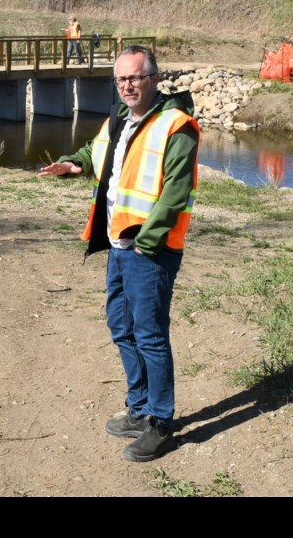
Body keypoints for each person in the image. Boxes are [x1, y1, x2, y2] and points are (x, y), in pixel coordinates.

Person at [38, 45, 200, 462]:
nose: (128, 85)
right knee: (121, 326)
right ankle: (140, 406)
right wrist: (72, 164)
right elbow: (96, 155)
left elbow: (176, 193)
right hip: (117, 244)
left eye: (136, 77)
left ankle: (161, 424)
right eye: (122, 79)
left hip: (151, 249)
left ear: (154, 79)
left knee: (149, 334)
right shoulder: (118, 121)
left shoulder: (177, 126)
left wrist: (146, 243)